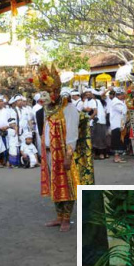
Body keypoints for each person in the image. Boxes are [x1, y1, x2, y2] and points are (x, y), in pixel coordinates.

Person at [38, 65, 87, 232]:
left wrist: (68, 156)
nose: (45, 96)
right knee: (55, 185)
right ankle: (58, 216)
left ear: (56, 92)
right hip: (50, 154)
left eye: (48, 92)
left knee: (67, 185)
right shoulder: (48, 109)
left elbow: (72, 133)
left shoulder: (69, 109)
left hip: (64, 154)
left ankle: (66, 218)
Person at [109, 88, 127, 163]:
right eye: (123, 95)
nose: (124, 96)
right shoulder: (116, 102)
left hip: (118, 124)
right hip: (116, 124)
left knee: (119, 140)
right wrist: (126, 104)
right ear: (120, 95)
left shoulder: (118, 101)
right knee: (117, 141)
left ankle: (118, 156)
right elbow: (124, 111)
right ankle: (116, 157)